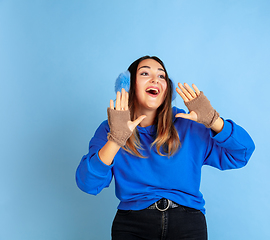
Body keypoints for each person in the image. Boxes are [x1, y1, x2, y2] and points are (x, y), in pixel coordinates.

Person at [76, 55, 255, 240]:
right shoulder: (109, 129)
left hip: (188, 224)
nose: (155, 79)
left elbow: (242, 153)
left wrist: (213, 121)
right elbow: (88, 184)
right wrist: (116, 139)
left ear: (166, 90)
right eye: (145, 73)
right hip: (132, 225)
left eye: (161, 76)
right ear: (127, 85)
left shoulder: (188, 124)